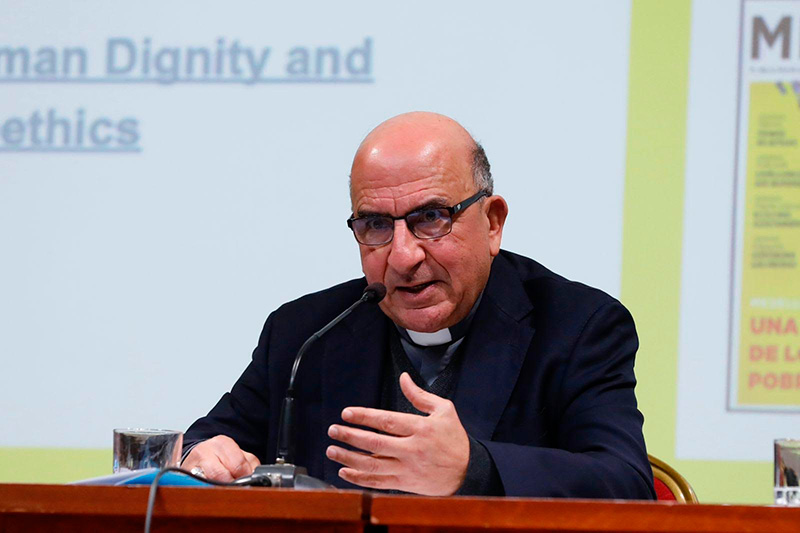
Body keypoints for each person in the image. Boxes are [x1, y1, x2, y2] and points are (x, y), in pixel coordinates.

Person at [181, 112, 656, 499]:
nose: (403, 256)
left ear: (492, 223)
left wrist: (474, 469)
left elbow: (625, 484)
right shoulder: (304, 333)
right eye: (375, 225)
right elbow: (205, 442)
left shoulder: (577, 326)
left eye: (431, 217)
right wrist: (202, 456)